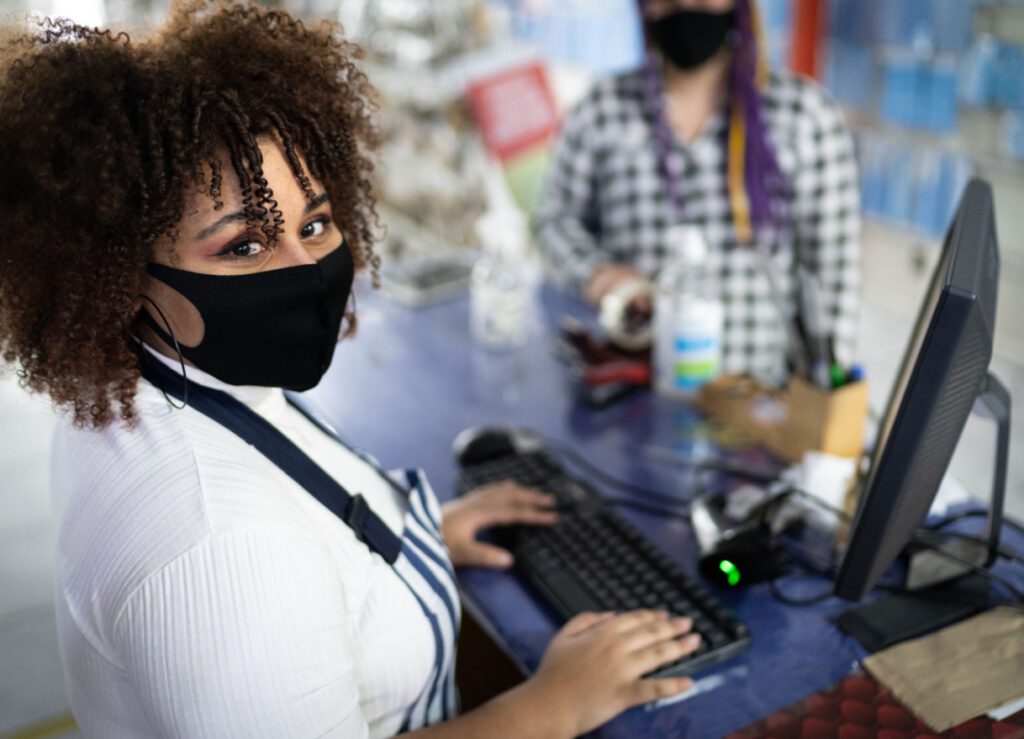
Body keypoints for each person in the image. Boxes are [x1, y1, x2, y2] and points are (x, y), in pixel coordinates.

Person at [0, 2, 700, 737]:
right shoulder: (223, 546)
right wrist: (548, 705)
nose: (306, 268)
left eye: (314, 223)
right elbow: (247, 555)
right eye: (242, 246)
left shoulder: (158, 380)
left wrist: (411, 540)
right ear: (118, 270)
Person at [536, 0, 860, 383]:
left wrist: (828, 397)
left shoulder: (804, 117)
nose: (686, 5)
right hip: (630, 390)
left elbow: (832, 277)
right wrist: (599, 276)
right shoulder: (601, 111)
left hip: (757, 402)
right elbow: (554, 220)